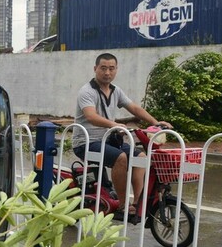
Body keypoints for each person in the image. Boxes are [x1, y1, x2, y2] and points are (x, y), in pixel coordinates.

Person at [72, 53, 171, 217]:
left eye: (111, 69)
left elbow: (134, 109)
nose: (107, 73)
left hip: (108, 140)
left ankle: (138, 203)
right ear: (95, 69)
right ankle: (123, 205)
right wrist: (114, 124)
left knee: (140, 156)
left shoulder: (115, 91)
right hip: (87, 143)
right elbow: (90, 116)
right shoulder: (87, 91)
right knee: (121, 158)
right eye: (103, 68)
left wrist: (155, 122)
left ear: (116, 70)